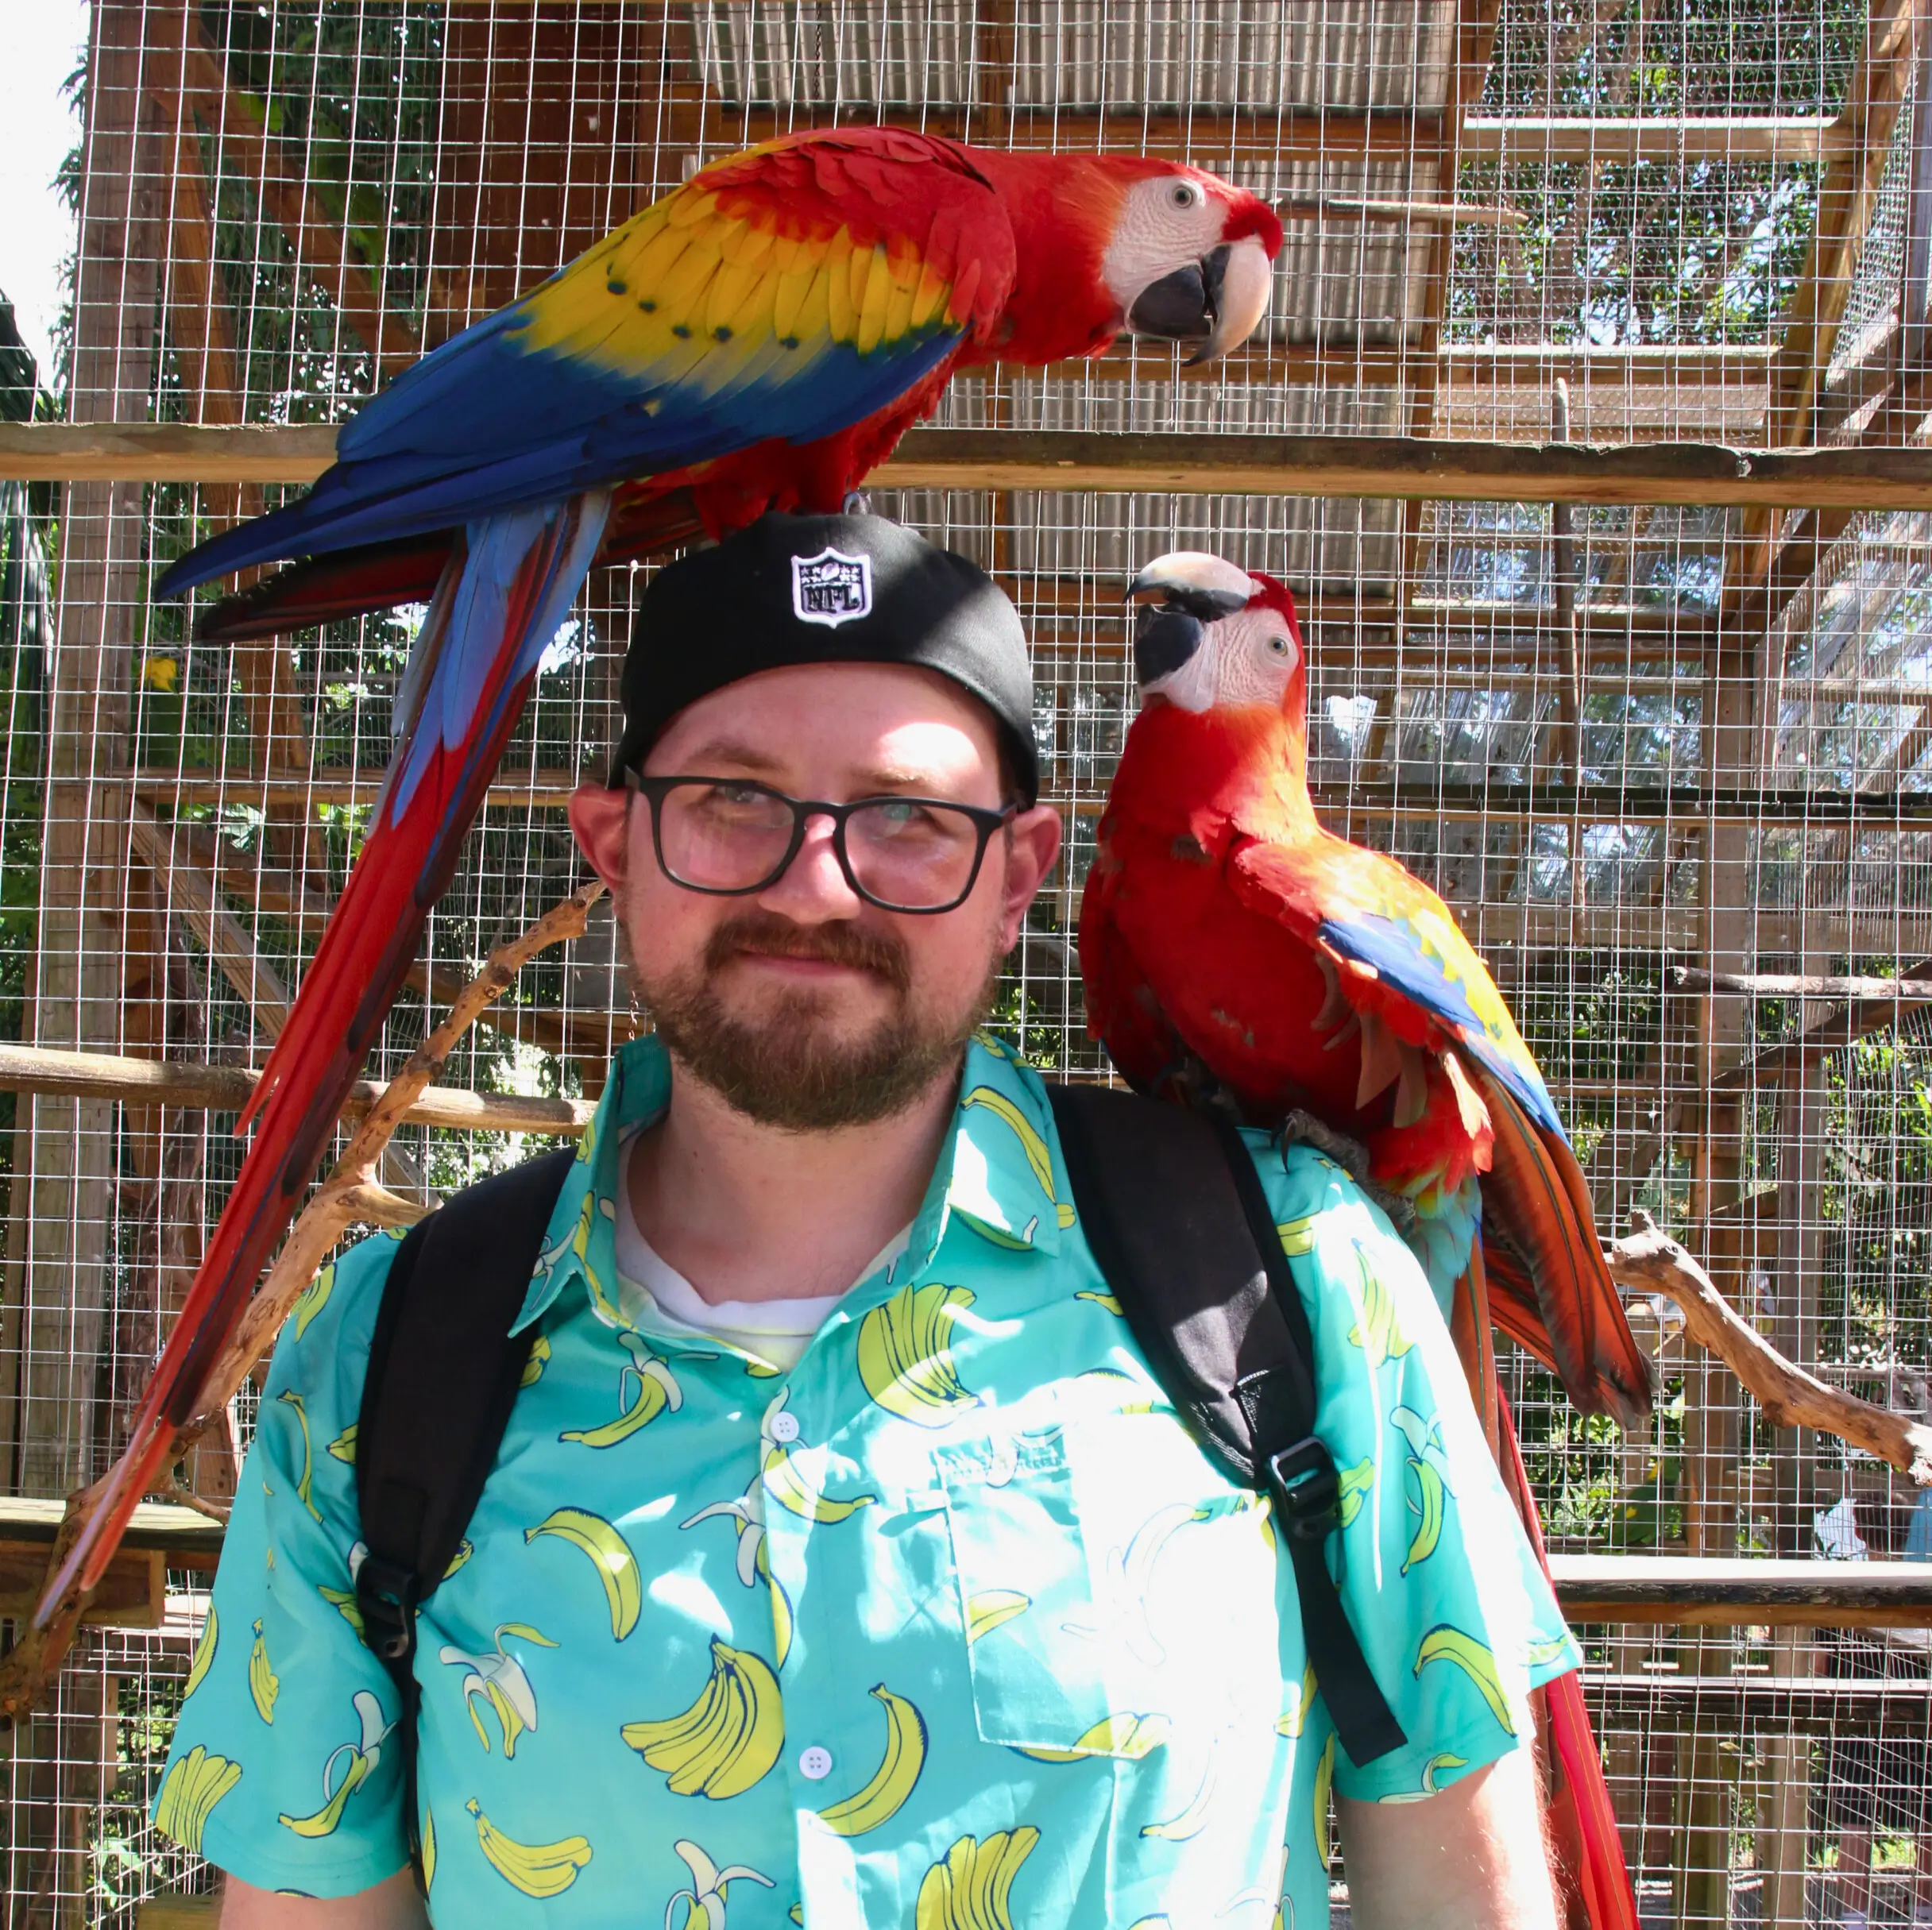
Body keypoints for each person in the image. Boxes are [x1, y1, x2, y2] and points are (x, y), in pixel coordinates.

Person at [154, 511, 1580, 1928]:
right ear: (609, 843)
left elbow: (1462, 1889)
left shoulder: (1301, 1284)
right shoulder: (377, 1368)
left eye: (909, 818)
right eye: (731, 801)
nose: (813, 883)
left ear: (1019, 874)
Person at [1814, 1488, 1932, 1930]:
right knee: (1927, 1815)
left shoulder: (1844, 1593)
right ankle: (1923, 1915)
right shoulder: (1922, 1590)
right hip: (1917, 1720)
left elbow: (1820, 1667)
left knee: (1852, 1818)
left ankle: (1853, 1918)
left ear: (1859, 1532)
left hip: (1854, 1720)